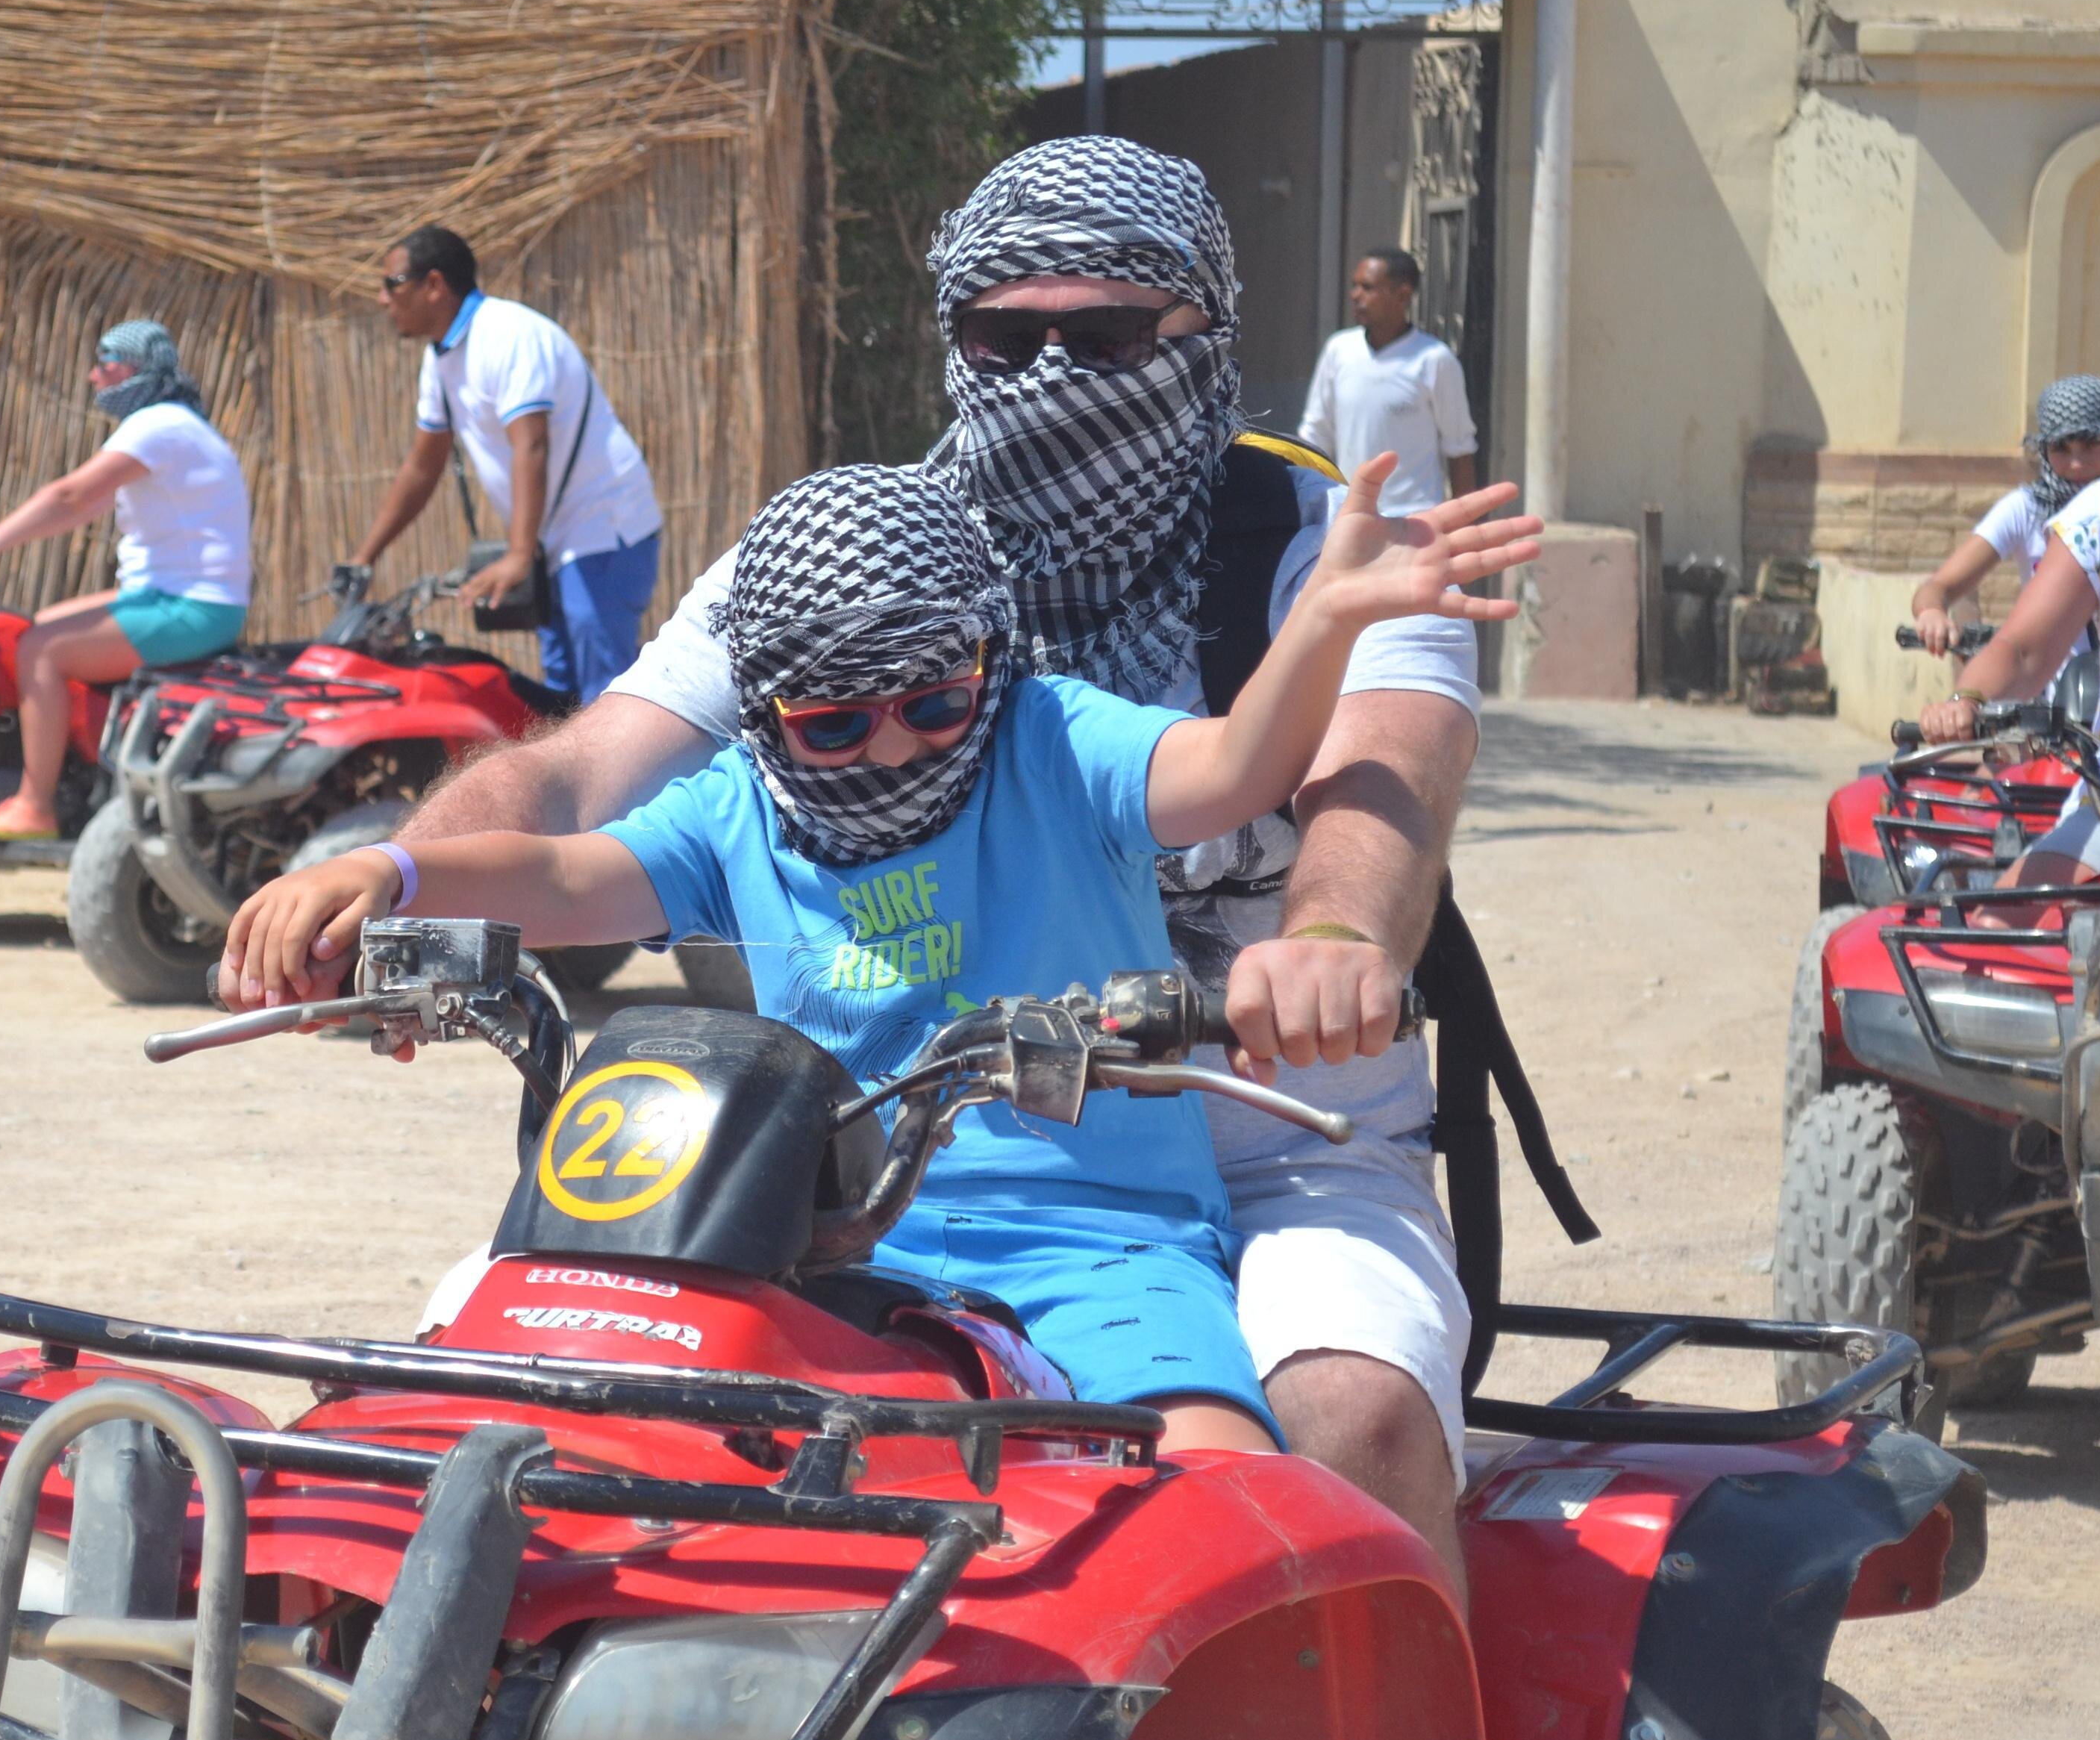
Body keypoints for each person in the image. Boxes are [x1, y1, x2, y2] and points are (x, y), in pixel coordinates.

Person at [392, 140, 1532, 1607]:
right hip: (867, 1153)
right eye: (1004, 337)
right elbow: (572, 782)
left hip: (1265, 1133)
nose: (1052, 378)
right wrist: (393, 886)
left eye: (1106, 336)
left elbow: (1381, 779)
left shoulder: (1334, 552)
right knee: (504, 1384)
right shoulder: (848, 564)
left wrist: (1328, 940)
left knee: (1346, 1417)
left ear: (1205, 332)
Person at [227, 461, 1529, 1453]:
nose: (896, 746)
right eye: (837, 725)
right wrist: (388, 873)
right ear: (763, 713)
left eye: (933, 702)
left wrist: (1324, 622)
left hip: (1099, 1241)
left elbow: (1235, 769)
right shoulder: (734, 809)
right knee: (568, 1447)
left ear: (986, 661)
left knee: (1216, 1487)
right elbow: (565, 876)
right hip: (810, 1242)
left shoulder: (1049, 742)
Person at [1919, 310, 2100, 885]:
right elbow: (2025, 649)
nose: (2075, 463)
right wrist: (1967, 700)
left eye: (2090, 444)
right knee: (1999, 926)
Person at [0, 321, 252, 842]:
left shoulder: (156, 424)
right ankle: (82, 767)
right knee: (32, 627)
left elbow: (69, 497)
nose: (93, 376)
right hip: (182, 598)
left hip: (190, 607)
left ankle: (35, 805)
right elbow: (81, 509)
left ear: (134, 369)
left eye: (104, 363)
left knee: (41, 650)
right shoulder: (176, 426)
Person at [344, 226, 663, 703]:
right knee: (562, 700)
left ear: (434, 285)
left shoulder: (508, 335)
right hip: (553, 540)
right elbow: (423, 466)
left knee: (606, 697)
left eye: (392, 284)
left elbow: (531, 445)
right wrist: (364, 557)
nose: (382, 298)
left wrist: (517, 554)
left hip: (602, 525)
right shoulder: (442, 359)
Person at [1906, 375, 2100, 656]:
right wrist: (1931, 612)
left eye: (2091, 444)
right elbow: (1939, 586)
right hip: (2052, 681)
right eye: (2061, 448)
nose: (2076, 464)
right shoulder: (2028, 509)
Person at [1298, 249, 1477, 517]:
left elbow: (1459, 448)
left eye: (1367, 287)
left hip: (1416, 520)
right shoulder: (1339, 350)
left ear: (1402, 295)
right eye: (1354, 286)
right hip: (1351, 516)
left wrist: (1466, 524)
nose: (1355, 295)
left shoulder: (1434, 360)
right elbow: (1315, 436)